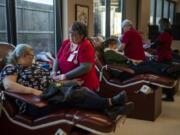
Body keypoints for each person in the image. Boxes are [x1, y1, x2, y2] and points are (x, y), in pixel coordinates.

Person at [0, 44, 133, 119]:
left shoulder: (33, 66)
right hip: (35, 103)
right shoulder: (12, 68)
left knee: (83, 89)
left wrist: (67, 83)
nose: (34, 58)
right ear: (23, 56)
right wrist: (34, 91)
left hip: (50, 93)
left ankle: (109, 110)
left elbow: (51, 83)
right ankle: (110, 103)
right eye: (32, 56)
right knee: (78, 95)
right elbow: (8, 85)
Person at [52, 21, 99, 91]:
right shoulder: (66, 43)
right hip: (67, 83)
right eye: (70, 33)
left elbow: (86, 67)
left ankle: (109, 101)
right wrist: (54, 72)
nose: (70, 36)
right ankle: (109, 101)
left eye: (74, 34)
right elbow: (57, 59)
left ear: (82, 36)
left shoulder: (86, 45)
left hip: (82, 83)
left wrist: (64, 76)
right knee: (55, 86)